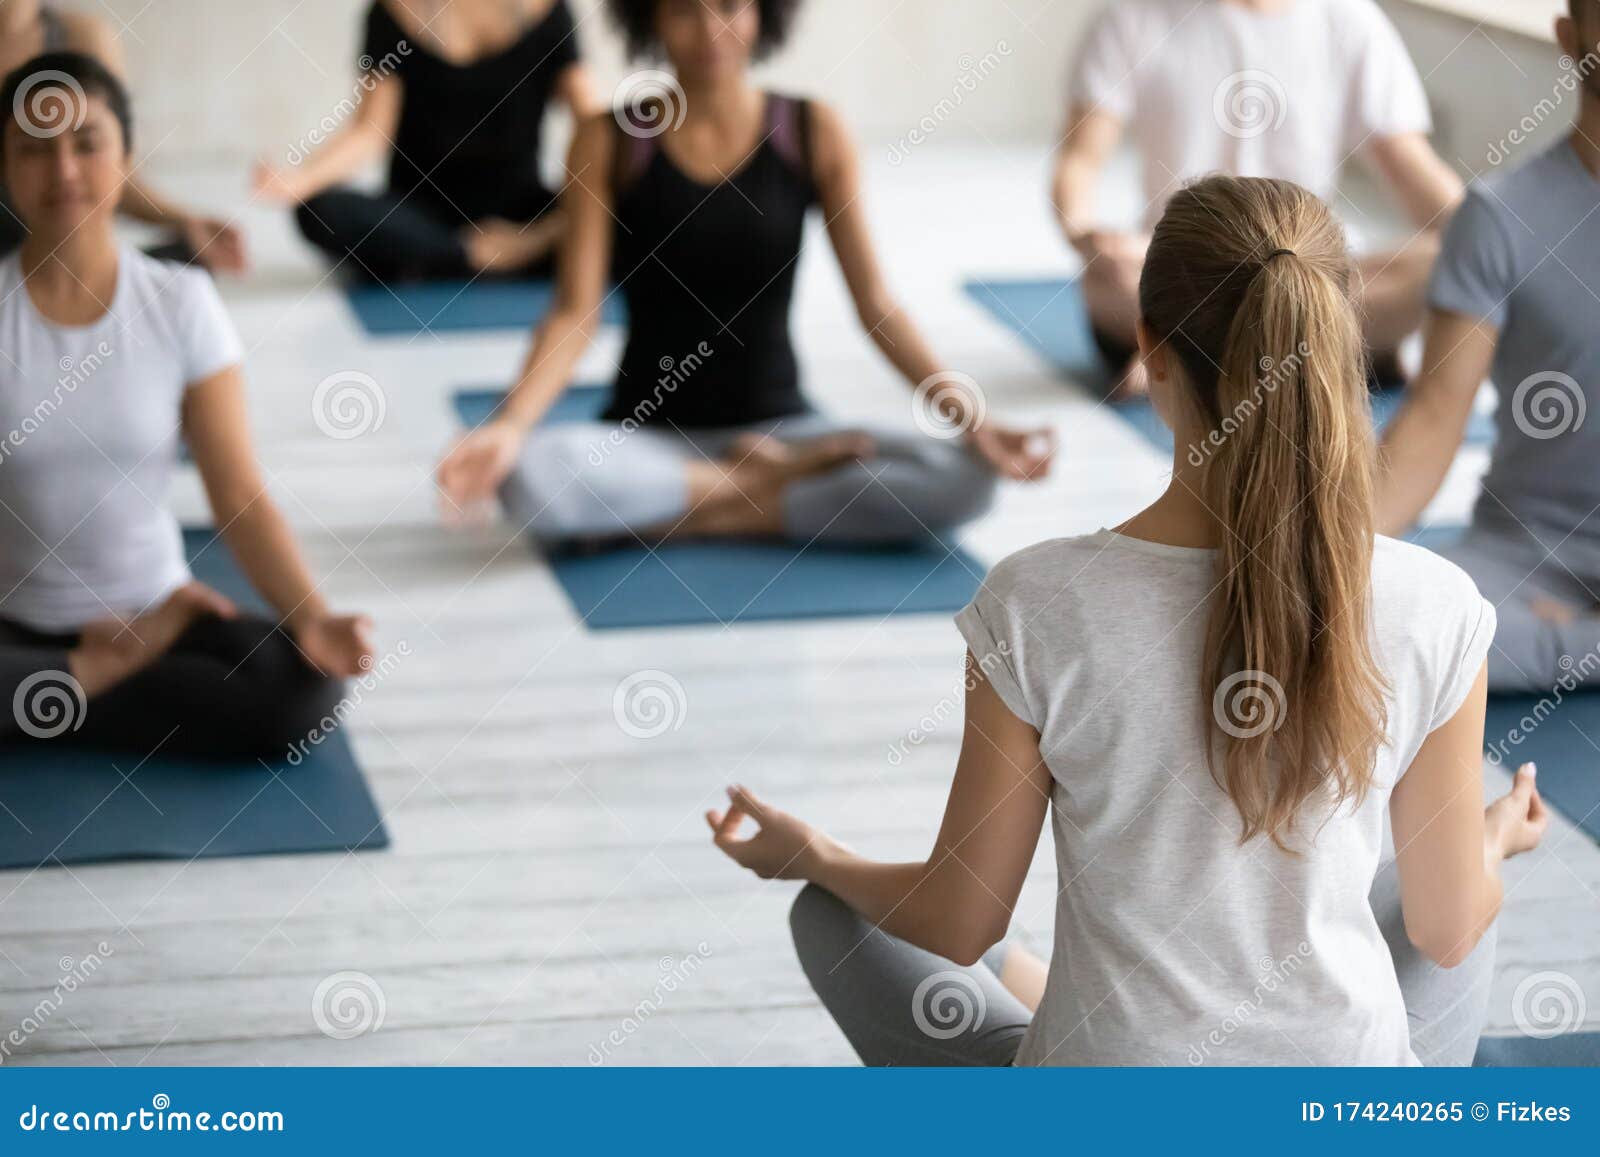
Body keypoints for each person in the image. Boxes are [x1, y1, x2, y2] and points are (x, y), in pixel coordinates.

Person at [712, 175, 1550, 1066]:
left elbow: (959, 921)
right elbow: (1448, 929)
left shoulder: (1035, 600)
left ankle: (1037, 988)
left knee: (837, 914)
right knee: (1446, 884)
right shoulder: (1441, 602)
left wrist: (817, 854)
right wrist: (1494, 836)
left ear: (1148, 349)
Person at [435, 0, 1053, 546]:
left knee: (968, 481)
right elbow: (575, 313)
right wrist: (510, 425)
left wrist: (976, 420)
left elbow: (878, 307)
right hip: (651, 438)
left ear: (762, 12)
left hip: (792, 429)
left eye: (730, 5)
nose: (710, 29)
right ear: (649, 18)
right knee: (530, 476)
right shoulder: (610, 138)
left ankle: (678, 518)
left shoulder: (813, 131)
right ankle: (760, 486)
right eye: (682, 10)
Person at [0, 54, 373, 759]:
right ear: (7, 167)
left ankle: (49, 702)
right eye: (34, 150)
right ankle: (99, 673)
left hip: (160, 611)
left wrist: (313, 617)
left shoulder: (180, 303)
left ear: (126, 156)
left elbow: (237, 493)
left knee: (303, 693)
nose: (65, 172)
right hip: (14, 624)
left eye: (87, 144)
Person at [1053, 0, 1462, 396]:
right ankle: (1313, 355)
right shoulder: (1131, 18)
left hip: (1308, 276)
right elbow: (1080, 161)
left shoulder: (1350, 19)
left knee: (1438, 261)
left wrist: (1485, 236)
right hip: (1181, 273)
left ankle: (1200, 361)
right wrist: (1087, 238)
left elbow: (1412, 169)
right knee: (1109, 275)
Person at [1378, 1, 1600, 693]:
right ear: (1571, 39)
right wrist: (1318, 564)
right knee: (1377, 627)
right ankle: (1569, 643)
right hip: (1526, 560)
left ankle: (1570, 646)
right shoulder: (1500, 215)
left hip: (1542, 616)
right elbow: (1435, 416)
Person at [253, 0, 599, 283]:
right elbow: (370, 131)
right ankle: (465, 254)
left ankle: (463, 260)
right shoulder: (390, 13)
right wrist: (303, 178)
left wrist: (535, 238)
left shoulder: (550, 12)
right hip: (419, 215)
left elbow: (592, 128)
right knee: (318, 210)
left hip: (522, 212)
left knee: (627, 214)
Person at [0, 0, 247, 272]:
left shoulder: (82, 36)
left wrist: (183, 221)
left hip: (66, 252)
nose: (64, 169)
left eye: (85, 144)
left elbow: (113, 170)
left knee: (185, 259)